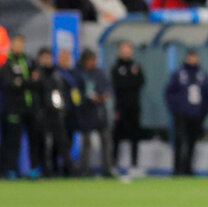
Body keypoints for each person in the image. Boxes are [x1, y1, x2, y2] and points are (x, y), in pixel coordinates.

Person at [164, 49, 208, 176]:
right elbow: (169, 93)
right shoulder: (179, 74)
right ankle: (177, 169)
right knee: (179, 141)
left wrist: (204, 112)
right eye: (191, 57)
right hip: (181, 114)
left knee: (192, 142)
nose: (193, 59)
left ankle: (188, 169)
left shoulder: (202, 75)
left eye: (194, 57)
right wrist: (175, 109)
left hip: (196, 114)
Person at [0, 35, 41, 178]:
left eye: (21, 43)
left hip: (31, 107)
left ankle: (34, 169)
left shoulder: (29, 61)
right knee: (13, 140)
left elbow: (37, 82)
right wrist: (28, 82)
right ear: (12, 44)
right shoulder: (7, 64)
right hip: (14, 108)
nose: (19, 46)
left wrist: (22, 82)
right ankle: (11, 169)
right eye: (17, 43)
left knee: (34, 139)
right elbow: (9, 84)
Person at [33, 47, 74, 177]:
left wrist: (62, 108)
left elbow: (60, 93)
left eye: (48, 57)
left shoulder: (56, 73)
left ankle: (69, 170)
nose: (46, 60)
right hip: (42, 113)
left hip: (56, 113)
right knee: (44, 144)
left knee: (62, 142)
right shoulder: (36, 73)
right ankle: (46, 170)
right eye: (44, 58)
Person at [75, 49, 114, 177]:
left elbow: (108, 86)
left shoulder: (99, 72)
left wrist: (104, 95)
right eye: (91, 60)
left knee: (106, 140)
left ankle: (107, 169)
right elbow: (77, 92)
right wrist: (88, 97)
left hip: (100, 112)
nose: (93, 63)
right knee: (86, 143)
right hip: (86, 112)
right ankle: (84, 169)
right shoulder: (79, 73)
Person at [111, 41, 145, 174]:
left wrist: (129, 81)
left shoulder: (136, 66)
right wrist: (131, 80)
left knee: (135, 136)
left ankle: (134, 165)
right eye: (123, 49)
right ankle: (113, 164)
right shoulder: (116, 67)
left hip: (134, 107)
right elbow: (119, 84)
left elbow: (141, 82)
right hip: (120, 108)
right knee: (117, 136)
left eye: (128, 49)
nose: (126, 52)